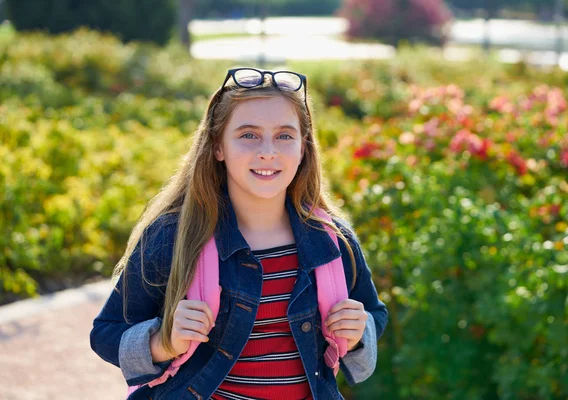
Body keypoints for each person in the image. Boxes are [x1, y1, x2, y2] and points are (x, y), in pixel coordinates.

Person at [90, 67, 388, 400]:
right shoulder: (174, 236)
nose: (268, 151)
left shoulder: (334, 241)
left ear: (303, 148)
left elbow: (373, 314)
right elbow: (106, 333)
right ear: (218, 146)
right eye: (248, 134)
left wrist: (360, 331)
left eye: (284, 135)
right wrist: (163, 342)